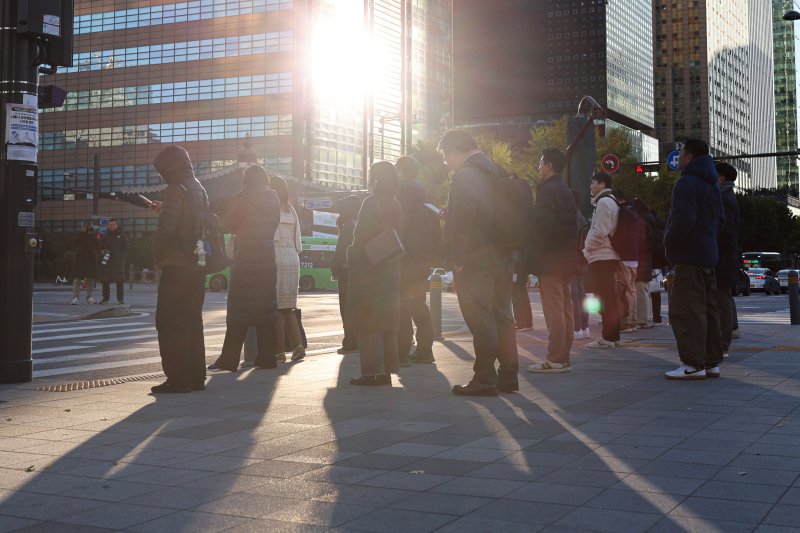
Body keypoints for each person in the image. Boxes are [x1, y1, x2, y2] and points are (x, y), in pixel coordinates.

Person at [439, 129, 518, 395]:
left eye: (445, 156)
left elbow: (463, 221)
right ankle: (509, 376)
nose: (446, 163)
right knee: (502, 316)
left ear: (454, 151)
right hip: (504, 255)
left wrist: (458, 259)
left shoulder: (466, 175)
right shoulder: (497, 170)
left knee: (480, 317)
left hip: (477, 259)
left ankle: (484, 378)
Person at [208, 165, 281, 372]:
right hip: (267, 259)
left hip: (247, 260)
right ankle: (267, 358)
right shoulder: (274, 198)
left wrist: (212, 218)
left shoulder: (244, 200)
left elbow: (227, 225)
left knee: (238, 313)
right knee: (266, 313)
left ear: (247, 180)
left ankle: (228, 360)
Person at [664, 139, 724, 380]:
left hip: (688, 256)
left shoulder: (686, 183)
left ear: (689, 156)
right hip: (708, 254)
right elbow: (720, 221)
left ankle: (692, 364)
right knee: (708, 309)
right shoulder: (712, 185)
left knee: (686, 310)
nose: (677, 157)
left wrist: (669, 242)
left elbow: (682, 221)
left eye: (680, 153)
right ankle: (711, 362)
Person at [151, 145, 209, 393]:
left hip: (177, 265)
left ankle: (177, 378)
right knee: (192, 320)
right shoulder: (199, 188)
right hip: (197, 263)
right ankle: (196, 376)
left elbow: (167, 229)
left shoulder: (175, 190)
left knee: (169, 321)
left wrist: (155, 254)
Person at [346, 161, 404, 386]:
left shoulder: (372, 202)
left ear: (377, 179)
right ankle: (387, 371)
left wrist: (351, 256)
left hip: (369, 270)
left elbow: (360, 238)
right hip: (390, 268)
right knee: (386, 322)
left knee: (367, 321)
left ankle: (371, 372)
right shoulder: (395, 203)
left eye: (371, 176)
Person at [528, 148, 578, 373]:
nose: (538, 167)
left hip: (551, 259)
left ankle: (556, 358)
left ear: (549, 165)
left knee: (554, 310)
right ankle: (563, 357)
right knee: (565, 308)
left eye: (540, 163)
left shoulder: (548, 191)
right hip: (566, 258)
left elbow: (541, 228)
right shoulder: (565, 190)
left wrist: (534, 255)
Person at [395, 155, 438, 365]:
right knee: (419, 305)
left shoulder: (402, 195)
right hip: (423, 260)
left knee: (403, 306)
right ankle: (425, 350)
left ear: (401, 172)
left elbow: (398, 228)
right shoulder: (425, 197)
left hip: (405, 259)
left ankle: (402, 350)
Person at [583, 172, 622, 348]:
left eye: (593, 183)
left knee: (606, 298)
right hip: (606, 256)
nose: (590, 187)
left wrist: (587, 246)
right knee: (608, 297)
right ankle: (612, 337)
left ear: (602, 184)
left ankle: (608, 338)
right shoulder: (610, 201)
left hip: (603, 256)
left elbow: (600, 230)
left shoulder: (604, 202)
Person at [270, 175, 305, 363]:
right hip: (293, 256)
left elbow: (271, 237)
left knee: (276, 308)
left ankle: (278, 351)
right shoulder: (291, 210)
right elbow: (298, 241)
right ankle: (298, 346)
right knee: (289, 307)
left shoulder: (271, 209)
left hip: (277, 255)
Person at [714, 161, 741, 358]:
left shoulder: (723, 198)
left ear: (721, 178)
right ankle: (721, 342)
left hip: (721, 256)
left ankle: (722, 344)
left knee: (721, 299)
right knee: (721, 298)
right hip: (724, 255)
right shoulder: (725, 196)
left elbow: (724, 231)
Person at [331, 195, 362, 355]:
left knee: (347, 308)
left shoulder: (348, 226)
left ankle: (350, 342)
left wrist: (334, 269)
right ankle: (359, 340)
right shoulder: (361, 223)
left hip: (347, 271)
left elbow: (340, 251)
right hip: (361, 272)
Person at [509, 174, 535, 332]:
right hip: (525, 255)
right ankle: (527, 322)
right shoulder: (528, 210)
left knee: (516, 288)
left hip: (515, 255)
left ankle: (522, 322)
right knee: (520, 287)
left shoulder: (514, 212)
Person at [613, 190, 638, 333]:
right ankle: (633, 320)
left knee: (625, 290)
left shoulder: (622, 214)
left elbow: (621, 236)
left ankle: (627, 322)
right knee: (632, 289)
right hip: (634, 256)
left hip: (624, 256)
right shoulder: (633, 212)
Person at [631, 198, 657, 329]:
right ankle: (648, 318)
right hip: (647, 258)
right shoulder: (649, 219)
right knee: (645, 289)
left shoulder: (640, 221)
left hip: (641, 259)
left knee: (640, 289)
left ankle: (643, 319)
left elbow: (639, 241)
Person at [571, 190, 590, 339]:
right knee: (582, 294)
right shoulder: (582, 217)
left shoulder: (570, 216)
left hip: (572, 260)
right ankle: (585, 327)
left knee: (574, 295)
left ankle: (576, 328)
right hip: (583, 259)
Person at [98, 219, 129, 304]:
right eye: (110, 224)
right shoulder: (104, 235)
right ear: (108, 225)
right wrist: (103, 251)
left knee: (119, 281)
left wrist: (122, 257)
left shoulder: (121, 235)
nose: (112, 226)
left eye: (113, 224)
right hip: (107, 260)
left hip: (118, 261)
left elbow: (126, 247)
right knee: (105, 280)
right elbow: (100, 246)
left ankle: (120, 299)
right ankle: (105, 299)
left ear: (116, 225)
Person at [70, 223, 99, 305]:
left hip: (90, 258)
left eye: (87, 227)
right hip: (80, 258)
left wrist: (92, 234)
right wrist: (82, 233)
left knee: (90, 278)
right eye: (85, 227)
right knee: (77, 279)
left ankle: (89, 297)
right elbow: (74, 243)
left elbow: (97, 244)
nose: (86, 229)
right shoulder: (79, 234)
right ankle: (75, 297)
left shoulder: (92, 234)